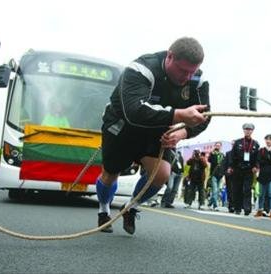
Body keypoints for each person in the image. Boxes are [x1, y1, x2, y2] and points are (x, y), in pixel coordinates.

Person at [96, 37, 210, 234]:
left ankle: (130, 207)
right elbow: (134, 111)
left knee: (161, 175)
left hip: (156, 130)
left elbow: (204, 117)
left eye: (192, 71)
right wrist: (178, 115)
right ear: (170, 56)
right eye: (183, 70)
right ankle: (104, 210)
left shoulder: (197, 80)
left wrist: (182, 132)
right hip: (122, 126)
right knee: (110, 173)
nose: (187, 77)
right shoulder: (140, 69)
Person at [229, 122, 260, 215]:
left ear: (252, 131)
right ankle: (237, 208)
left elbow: (257, 158)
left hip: (249, 169)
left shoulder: (255, 144)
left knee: (247, 189)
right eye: (246, 129)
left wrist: (256, 166)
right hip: (238, 168)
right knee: (237, 189)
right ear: (244, 130)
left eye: (250, 129)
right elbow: (232, 156)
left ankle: (247, 208)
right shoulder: (238, 142)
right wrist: (231, 167)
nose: (248, 131)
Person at [254, 134, 271, 220]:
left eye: (270, 139)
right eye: (266, 139)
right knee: (261, 194)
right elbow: (259, 160)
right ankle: (260, 210)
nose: (268, 141)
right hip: (262, 174)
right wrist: (270, 160)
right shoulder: (262, 150)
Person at [207, 141, 225, 211]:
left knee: (217, 191)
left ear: (221, 146)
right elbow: (209, 160)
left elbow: (224, 164)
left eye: (219, 145)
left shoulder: (223, 155)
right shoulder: (212, 153)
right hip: (214, 174)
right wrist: (212, 153)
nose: (218, 146)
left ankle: (210, 203)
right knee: (215, 190)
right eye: (216, 145)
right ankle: (215, 205)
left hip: (220, 175)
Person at [223, 141, 235, 212]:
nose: (233, 145)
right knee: (230, 190)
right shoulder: (228, 153)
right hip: (229, 175)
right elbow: (225, 164)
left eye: (234, 144)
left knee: (236, 190)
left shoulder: (240, 154)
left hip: (237, 175)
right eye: (232, 144)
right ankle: (231, 206)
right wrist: (226, 172)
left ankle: (236, 205)